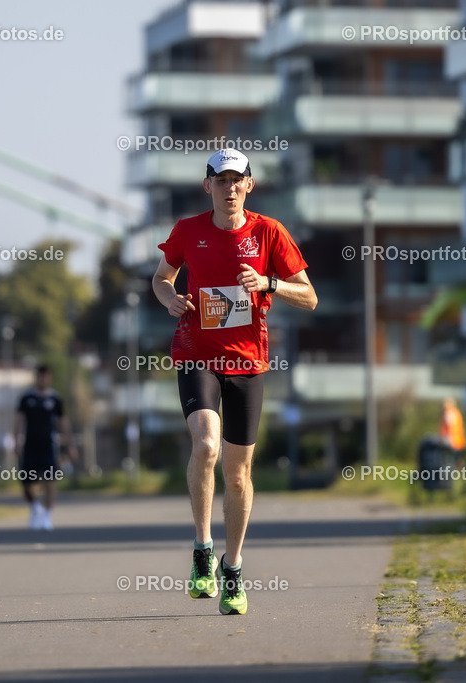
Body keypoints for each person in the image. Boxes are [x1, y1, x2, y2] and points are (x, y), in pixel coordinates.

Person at [153, 148, 317, 615]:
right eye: (219, 180)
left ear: (250, 185)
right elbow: (162, 278)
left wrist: (268, 284)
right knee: (206, 446)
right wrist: (169, 299)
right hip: (196, 354)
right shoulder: (188, 231)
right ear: (208, 186)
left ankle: (234, 568)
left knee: (238, 473)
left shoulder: (269, 232)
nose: (228, 188)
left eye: (236, 180)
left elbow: (309, 297)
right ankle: (202, 551)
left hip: (248, 363)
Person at [13, 365, 78, 530]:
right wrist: (16, 441)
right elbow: (19, 420)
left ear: (49, 378)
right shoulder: (27, 398)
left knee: (49, 481)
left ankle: (47, 515)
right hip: (30, 445)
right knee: (27, 482)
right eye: (40, 376)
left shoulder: (55, 399)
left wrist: (70, 444)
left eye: (45, 377)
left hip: (48, 446)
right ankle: (35, 507)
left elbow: (63, 422)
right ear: (36, 378)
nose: (42, 380)